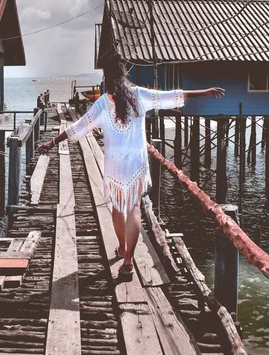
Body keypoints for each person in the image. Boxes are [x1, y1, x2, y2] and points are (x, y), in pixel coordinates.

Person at [37, 51, 225, 280]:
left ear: (107, 77)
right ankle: (128, 262)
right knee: (134, 208)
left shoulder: (103, 103)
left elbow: (79, 126)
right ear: (124, 74)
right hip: (136, 161)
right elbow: (171, 96)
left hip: (115, 163)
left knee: (118, 207)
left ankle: (122, 248)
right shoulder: (139, 95)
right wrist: (204, 92)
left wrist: (52, 141)